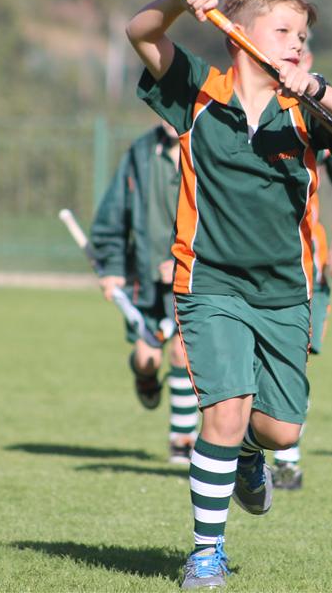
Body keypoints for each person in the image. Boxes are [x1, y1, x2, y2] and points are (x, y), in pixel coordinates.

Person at [126, 0, 332, 588]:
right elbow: (140, 33)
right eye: (284, 31)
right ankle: (206, 553)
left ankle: (249, 454)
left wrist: (315, 87)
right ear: (237, 34)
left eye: (303, 35)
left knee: (277, 429)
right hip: (209, 283)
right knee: (223, 413)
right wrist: (180, 0)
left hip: (284, 293)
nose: (297, 43)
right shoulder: (196, 90)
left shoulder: (306, 107)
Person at [89, 119, 197, 464]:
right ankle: (144, 376)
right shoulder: (141, 152)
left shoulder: (207, 144)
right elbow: (113, 214)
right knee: (147, 359)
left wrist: (185, 260)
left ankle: (182, 440)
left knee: (182, 352)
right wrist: (113, 269)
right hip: (145, 283)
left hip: (192, 278)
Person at [270, 135, 332, 490]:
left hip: (303, 263)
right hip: (240, 260)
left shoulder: (315, 123)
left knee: (292, 360)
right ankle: (242, 450)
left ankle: (286, 461)